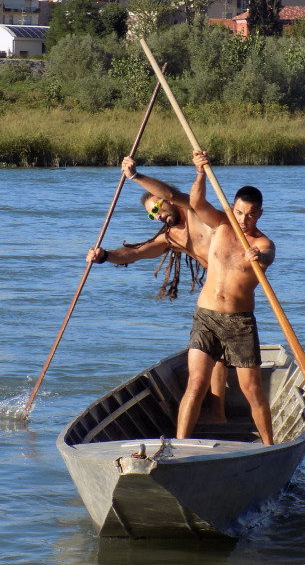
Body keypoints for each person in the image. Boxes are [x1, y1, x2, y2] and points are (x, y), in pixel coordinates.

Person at [86, 155, 229, 422]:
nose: (158, 216)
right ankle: (215, 412)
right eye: (152, 215)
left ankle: (218, 411)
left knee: (221, 352)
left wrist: (135, 177)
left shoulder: (197, 210)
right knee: (211, 351)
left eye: (158, 208)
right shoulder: (171, 237)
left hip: (233, 285)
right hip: (212, 292)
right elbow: (134, 253)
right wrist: (104, 256)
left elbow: (172, 193)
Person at [176, 150, 276, 445]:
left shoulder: (262, 243)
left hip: (239, 322)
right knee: (196, 384)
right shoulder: (221, 224)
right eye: (240, 212)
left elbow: (269, 255)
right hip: (206, 316)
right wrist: (200, 172)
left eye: (251, 214)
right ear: (233, 208)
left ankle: (270, 446)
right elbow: (195, 203)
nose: (244, 219)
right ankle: (180, 446)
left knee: (252, 390)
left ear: (260, 214)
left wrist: (258, 255)